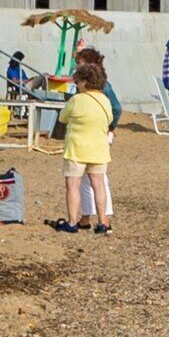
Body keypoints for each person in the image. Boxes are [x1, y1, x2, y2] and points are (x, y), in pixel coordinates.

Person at [58, 61, 117, 235]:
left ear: (84, 81)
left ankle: (72, 222)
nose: (76, 84)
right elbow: (110, 120)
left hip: (76, 148)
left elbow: (62, 118)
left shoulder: (76, 100)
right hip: (99, 149)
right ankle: (102, 223)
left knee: (73, 185)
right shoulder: (105, 101)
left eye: (77, 81)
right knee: (98, 185)